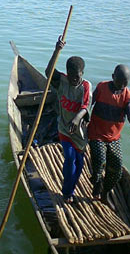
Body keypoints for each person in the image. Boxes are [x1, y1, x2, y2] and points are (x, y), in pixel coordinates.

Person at [45, 36, 91, 203]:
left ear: (82, 74)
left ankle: (70, 188)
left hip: (79, 132)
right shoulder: (62, 81)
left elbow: (85, 107)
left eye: (77, 76)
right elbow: (48, 72)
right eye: (71, 76)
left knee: (79, 164)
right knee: (69, 158)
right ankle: (67, 193)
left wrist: (77, 119)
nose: (73, 79)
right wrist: (57, 50)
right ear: (67, 73)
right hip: (64, 128)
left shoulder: (85, 86)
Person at [87, 64, 130, 203]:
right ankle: (97, 184)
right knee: (99, 160)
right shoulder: (102, 87)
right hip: (96, 133)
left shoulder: (127, 94)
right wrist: (84, 115)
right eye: (119, 81)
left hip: (113, 137)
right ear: (112, 77)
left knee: (117, 166)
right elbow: (89, 103)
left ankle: (106, 191)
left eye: (125, 83)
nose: (122, 85)